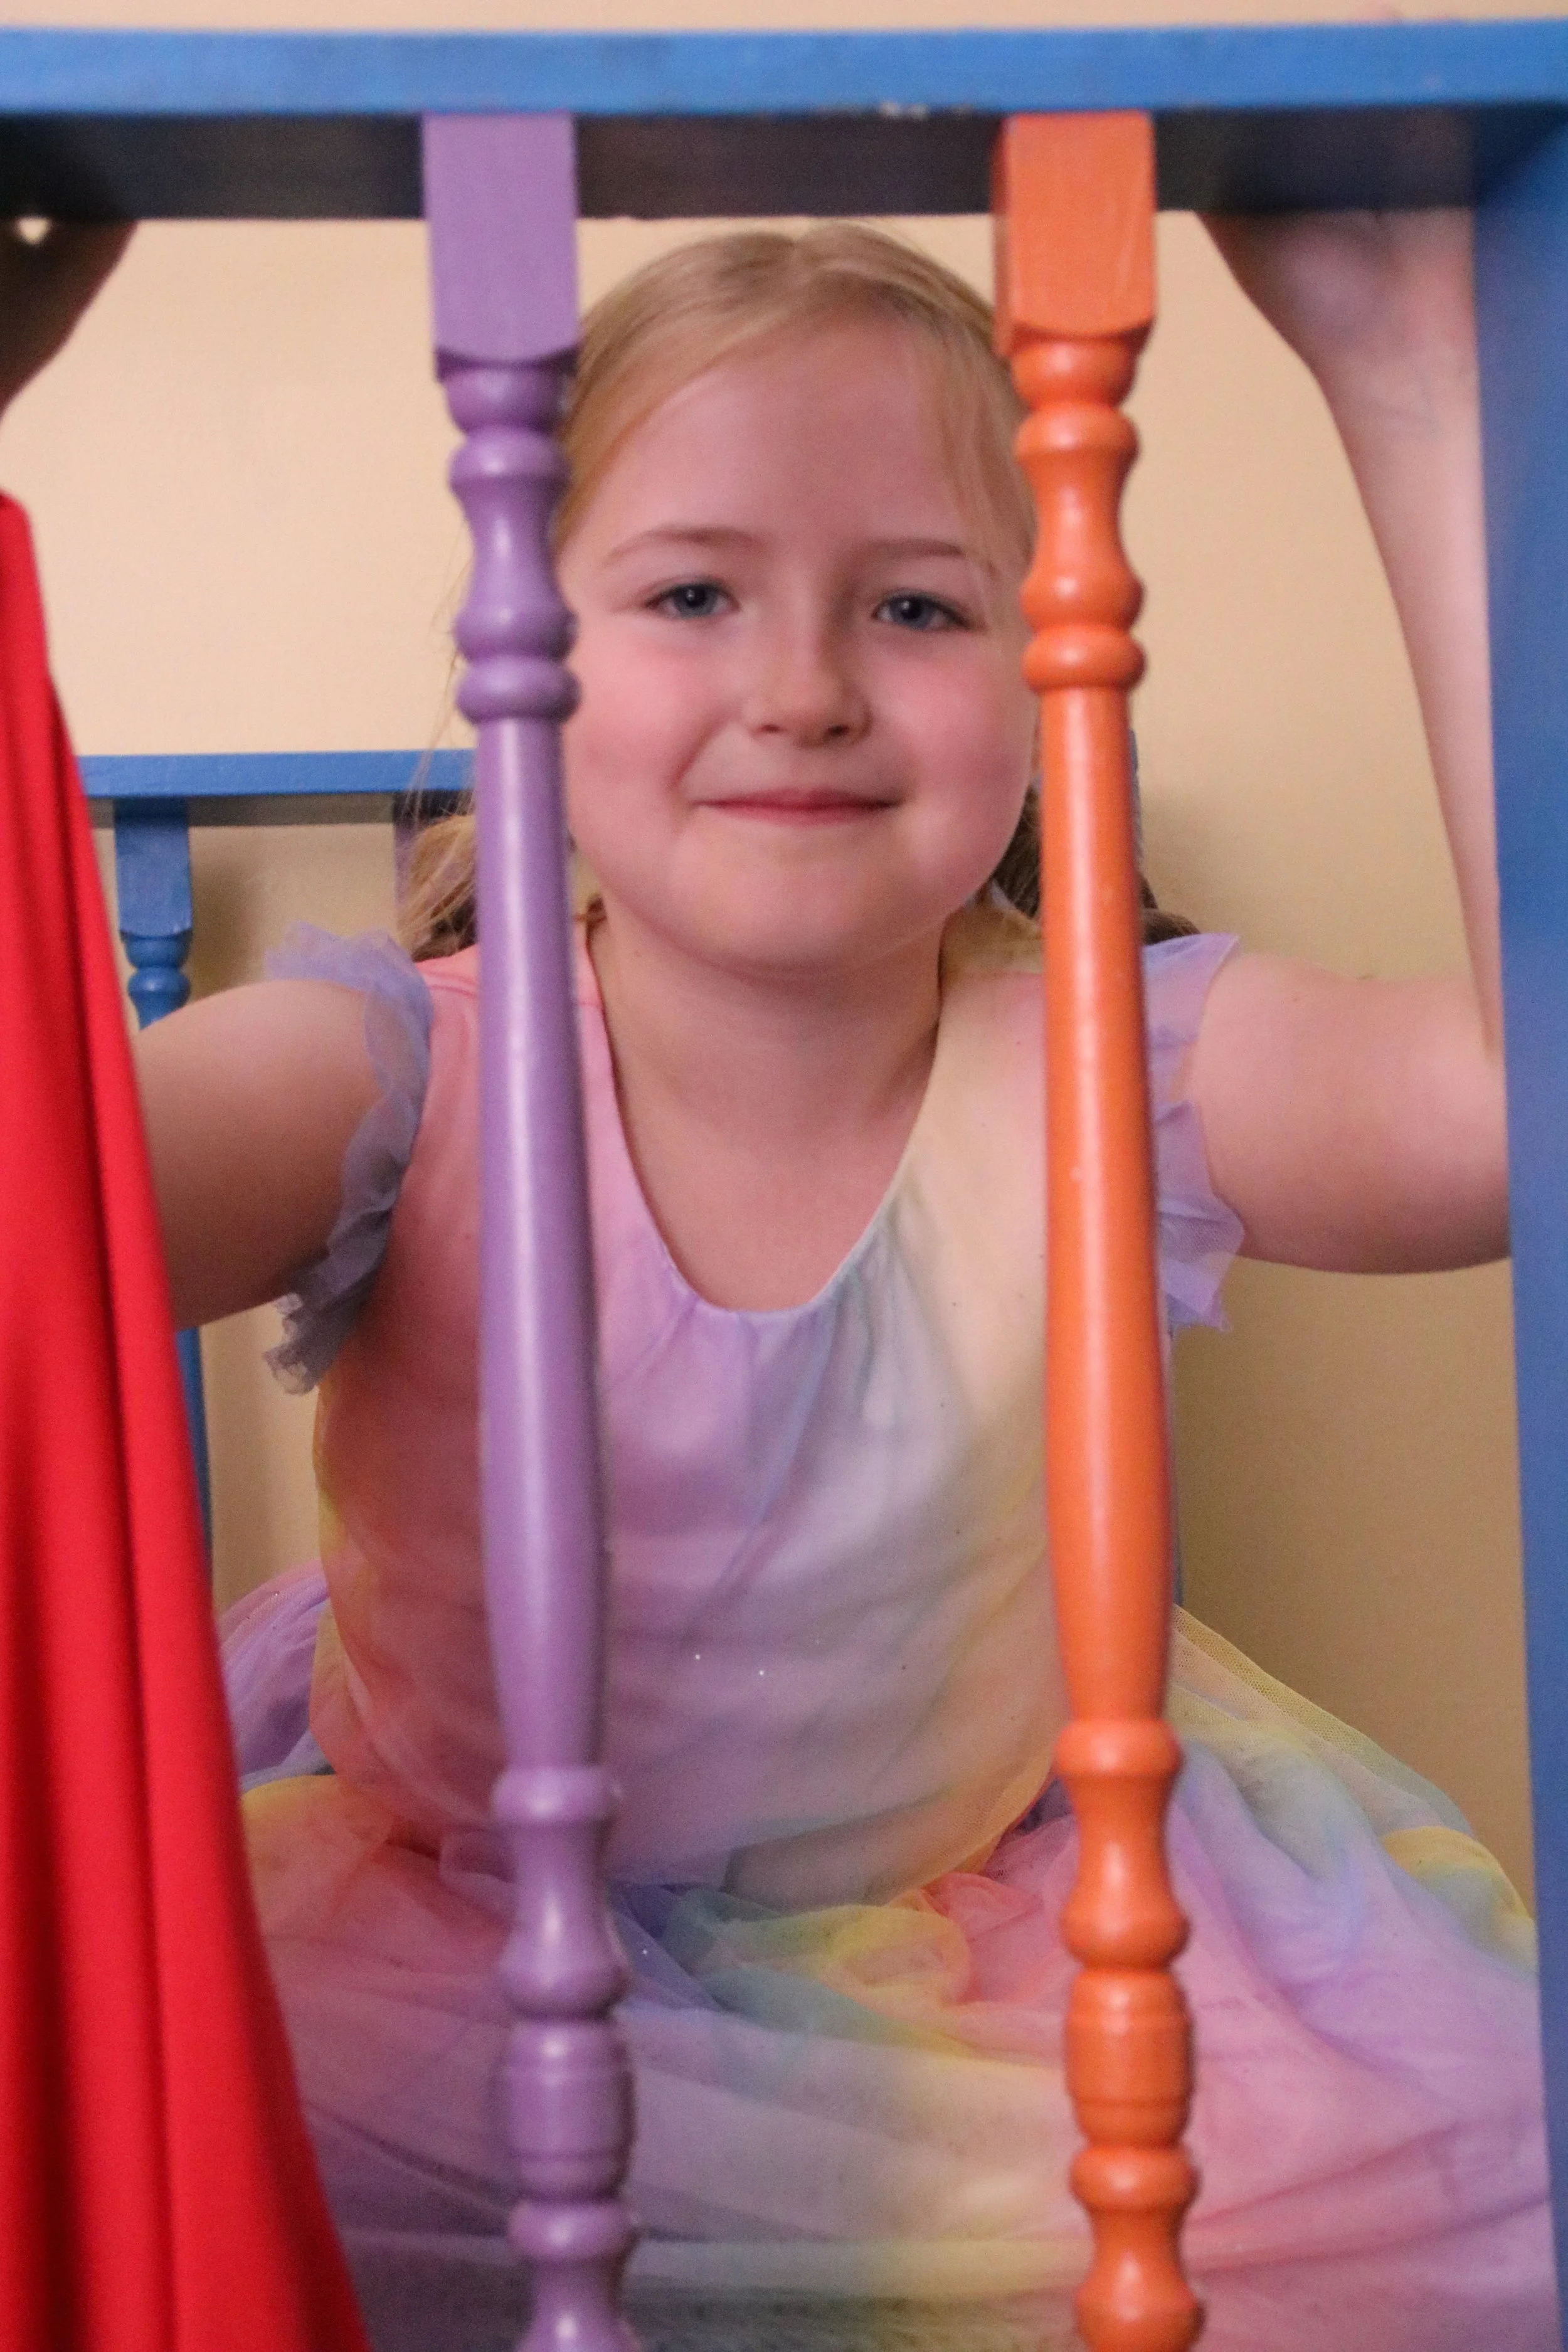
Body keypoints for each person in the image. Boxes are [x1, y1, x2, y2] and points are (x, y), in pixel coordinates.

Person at [6, 210, 1552, 2350]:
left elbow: (1509, 1110)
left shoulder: (1122, 1057)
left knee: (1480, 2159)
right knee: (130, 2159)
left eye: (914, 602)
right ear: (522, 646)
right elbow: (26, 1220)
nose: (802, 683)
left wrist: (1410, 370)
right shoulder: (394, 1069)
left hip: (1004, 1933)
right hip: (452, 1938)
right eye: (691, 593)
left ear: (1055, 657)